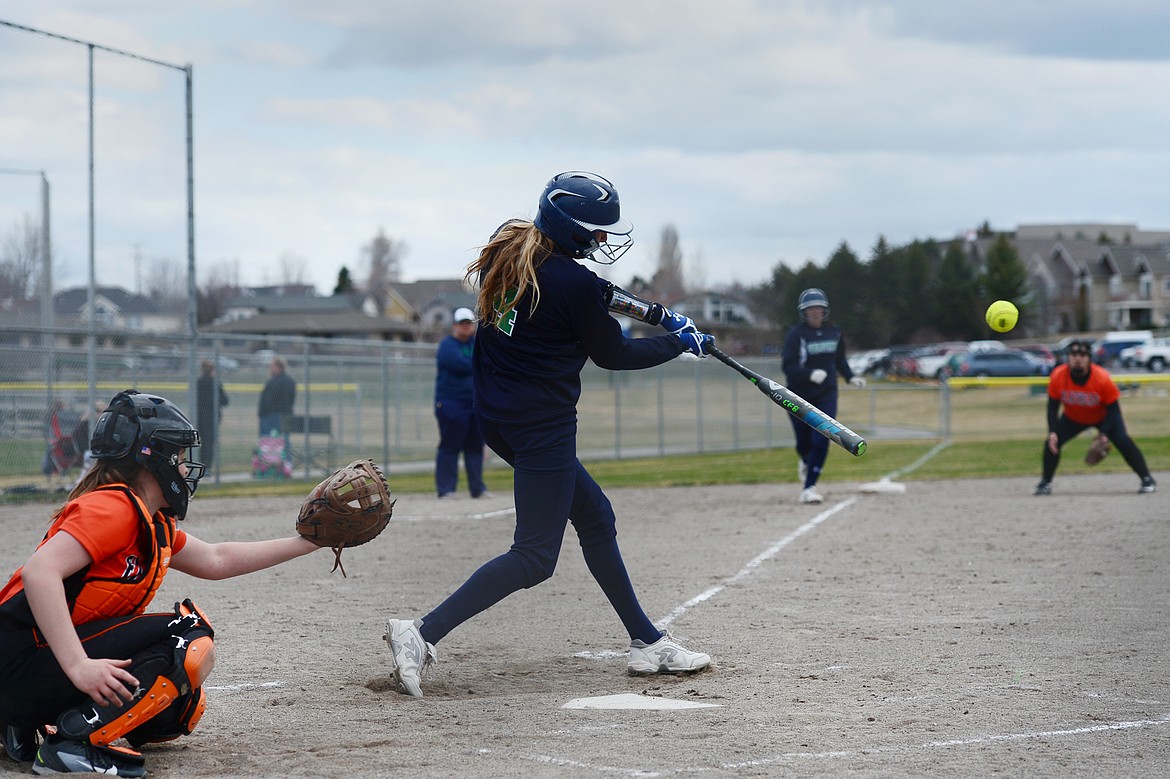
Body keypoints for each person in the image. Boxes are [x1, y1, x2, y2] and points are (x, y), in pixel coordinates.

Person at [383, 171, 715, 697]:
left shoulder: (512, 253)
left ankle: (646, 640)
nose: (604, 240)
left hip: (499, 419)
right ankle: (421, 633)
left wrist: (655, 313)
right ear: (573, 230)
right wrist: (680, 341)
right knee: (535, 556)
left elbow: (595, 294)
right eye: (597, 231)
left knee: (595, 515)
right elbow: (616, 353)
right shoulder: (577, 285)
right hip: (542, 427)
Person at [0, 389, 323, 775]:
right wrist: (79, 666)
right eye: (180, 457)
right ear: (151, 458)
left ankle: (17, 722)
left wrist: (310, 542)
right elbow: (40, 572)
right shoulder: (115, 507)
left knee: (175, 710)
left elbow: (217, 559)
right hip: (16, 661)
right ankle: (68, 745)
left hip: (23, 663)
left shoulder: (150, 520)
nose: (185, 469)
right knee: (187, 636)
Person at [1034, 339, 1157, 496]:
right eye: (1074, 354)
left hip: (1104, 418)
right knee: (1052, 443)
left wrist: (1104, 434)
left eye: (1083, 354)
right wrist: (1052, 431)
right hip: (1073, 417)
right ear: (1068, 357)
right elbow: (1052, 408)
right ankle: (1045, 483)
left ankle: (1147, 479)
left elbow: (1114, 411)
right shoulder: (1058, 376)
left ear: (1089, 358)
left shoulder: (1102, 378)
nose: (1078, 358)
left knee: (1123, 441)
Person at [781, 288, 865, 505]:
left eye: (818, 309)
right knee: (804, 442)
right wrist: (809, 374)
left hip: (826, 394)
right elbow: (788, 366)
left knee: (822, 438)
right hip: (798, 395)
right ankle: (806, 461)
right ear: (804, 312)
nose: (815, 313)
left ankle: (809, 487)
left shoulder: (834, 332)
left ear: (825, 310)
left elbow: (840, 360)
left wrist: (850, 376)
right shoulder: (796, 334)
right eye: (810, 309)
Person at [434, 307, 488, 499]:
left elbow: (485, 361)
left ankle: (478, 488)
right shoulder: (447, 345)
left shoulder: (477, 343)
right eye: (462, 323)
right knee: (450, 446)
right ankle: (446, 489)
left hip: (474, 402)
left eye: (469, 323)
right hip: (451, 403)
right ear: (454, 325)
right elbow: (462, 364)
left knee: (475, 447)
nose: (466, 327)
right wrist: (480, 362)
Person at [196, 360, 229, 470]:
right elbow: (225, 401)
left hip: (200, 417)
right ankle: (207, 467)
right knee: (209, 443)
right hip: (212, 418)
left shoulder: (198, 382)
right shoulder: (215, 383)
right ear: (212, 371)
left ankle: (201, 466)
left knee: (202, 442)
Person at [257, 357, 295, 437]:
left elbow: (268, 400)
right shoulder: (290, 381)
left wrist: (263, 413)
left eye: (272, 366)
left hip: (272, 416)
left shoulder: (273, 382)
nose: (270, 369)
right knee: (284, 441)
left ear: (278, 368)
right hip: (287, 415)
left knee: (269, 442)